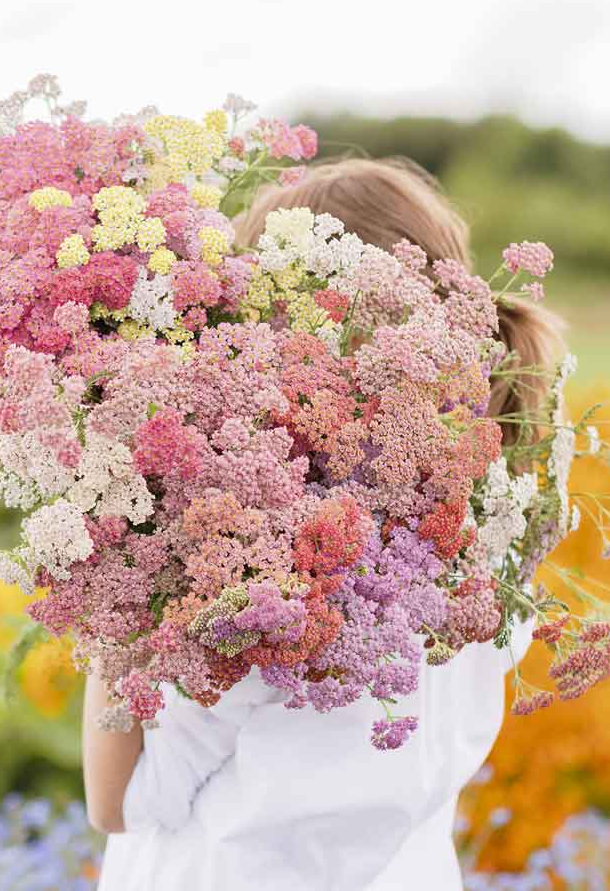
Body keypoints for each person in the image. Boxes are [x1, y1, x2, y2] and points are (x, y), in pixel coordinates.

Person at [83, 156, 565, 890]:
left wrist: (114, 564)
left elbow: (117, 800)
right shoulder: (491, 543)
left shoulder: (261, 571)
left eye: (250, 314)